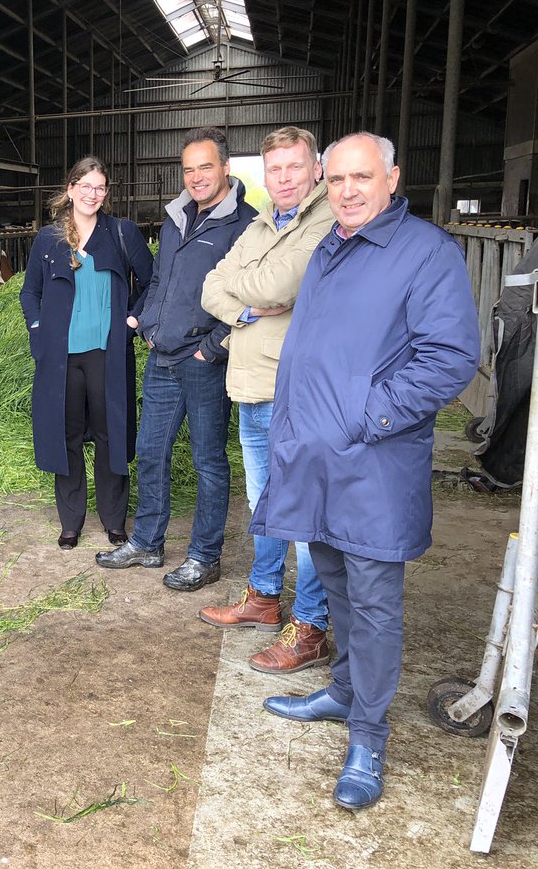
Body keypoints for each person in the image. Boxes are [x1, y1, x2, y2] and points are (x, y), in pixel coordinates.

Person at [254, 132, 479, 810]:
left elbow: (449, 357)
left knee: (376, 603)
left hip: (372, 461)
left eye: (363, 176)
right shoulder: (330, 245)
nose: (349, 190)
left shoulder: (426, 252)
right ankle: (344, 691)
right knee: (338, 587)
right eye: (340, 178)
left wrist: (368, 415)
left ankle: (369, 737)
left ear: (392, 178)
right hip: (318, 458)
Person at [197, 126, 333, 673]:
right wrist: (248, 307)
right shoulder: (258, 224)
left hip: (294, 388)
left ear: (315, 168)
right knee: (265, 505)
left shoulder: (324, 220)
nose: (283, 178)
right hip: (251, 384)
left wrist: (250, 287)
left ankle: (312, 624)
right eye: (274, 169)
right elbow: (211, 285)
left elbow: (281, 284)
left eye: (294, 167)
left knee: (304, 511)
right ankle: (264, 598)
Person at [96, 127, 256, 590]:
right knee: (150, 452)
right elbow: (161, 280)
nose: (197, 177)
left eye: (206, 166)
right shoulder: (174, 220)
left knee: (208, 461)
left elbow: (249, 297)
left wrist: (215, 346)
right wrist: (145, 323)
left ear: (226, 167)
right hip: (163, 357)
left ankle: (205, 557)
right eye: (189, 169)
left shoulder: (244, 225)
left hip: (204, 360)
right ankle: (147, 542)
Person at [21, 156, 153, 550]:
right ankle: (71, 523)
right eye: (85, 186)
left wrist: (133, 321)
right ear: (71, 189)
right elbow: (31, 291)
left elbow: (153, 281)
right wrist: (38, 327)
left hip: (106, 353)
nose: (92, 194)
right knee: (68, 436)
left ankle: (114, 520)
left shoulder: (122, 234)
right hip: (61, 356)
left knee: (111, 434)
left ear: (105, 193)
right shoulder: (49, 238)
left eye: (100, 188)